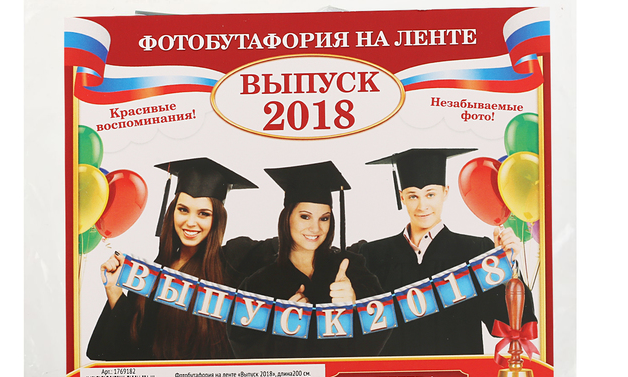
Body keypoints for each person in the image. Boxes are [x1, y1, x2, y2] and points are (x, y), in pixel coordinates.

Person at [86, 157, 276, 361]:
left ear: (217, 219)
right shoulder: (150, 274)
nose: (190, 222)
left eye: (203, 214)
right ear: (172, 212)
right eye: (183, 210)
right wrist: (114, 290)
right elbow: (127, 353)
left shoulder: (233, 259)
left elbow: (288, 249)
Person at [358, 148, 536, 356]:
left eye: (430, 194)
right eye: (413, 196)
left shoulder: (476, 251)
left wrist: (506, 269)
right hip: (394, 374)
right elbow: (360, 332)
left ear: (445, 192)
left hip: (457, 373)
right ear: (402, 197)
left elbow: (509, 326)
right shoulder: (373, 255)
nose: (422, 205)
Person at [227, 161, 390, 359]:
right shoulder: (259, 284)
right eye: (305, 216)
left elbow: (384, 322)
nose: (315, 228)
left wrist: (356, 304)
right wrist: (284, 327)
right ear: (287, 217)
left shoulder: (351, 270)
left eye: (324, 218)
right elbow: (245, 350)